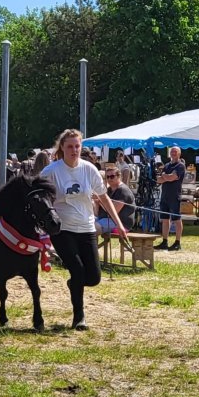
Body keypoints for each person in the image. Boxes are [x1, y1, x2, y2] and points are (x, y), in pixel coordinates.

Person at [41, 129, 127, 330]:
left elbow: (104, 198)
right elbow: (40, 198)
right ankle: (79, 318)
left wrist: (120, 225)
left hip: (87, 227)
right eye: (69, 146)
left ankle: (74, 285)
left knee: (94, 277)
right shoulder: (51, 171)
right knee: (78, 270)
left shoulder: (89, 169)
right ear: (62, 147)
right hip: (63, 229)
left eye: (77, 146)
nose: (74, 150)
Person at [154, 146, 186, 251]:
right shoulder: (167, 165)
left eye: (175, 152)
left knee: (176, 219)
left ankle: (177, 242)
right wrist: (166, 176)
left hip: (174, 195)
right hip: (165, 196)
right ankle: (164, 241)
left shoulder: (180, 166)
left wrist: (165, 176)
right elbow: (159, 180)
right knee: (165, 219)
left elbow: (172, 178)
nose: (173, 153)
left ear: (179, 154)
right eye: (172, 151)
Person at [94, 167, 136, 234]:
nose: (109, 179)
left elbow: (114, 211)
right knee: (85, 223)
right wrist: (96, 202)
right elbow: (96, 213)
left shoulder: (123, 190)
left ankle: (91, 244)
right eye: (107, 177)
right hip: (105, 219)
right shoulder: (108, 190)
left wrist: (100, 200)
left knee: (93, 228)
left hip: (120, 222)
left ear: (119, 176)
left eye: (112, 176)